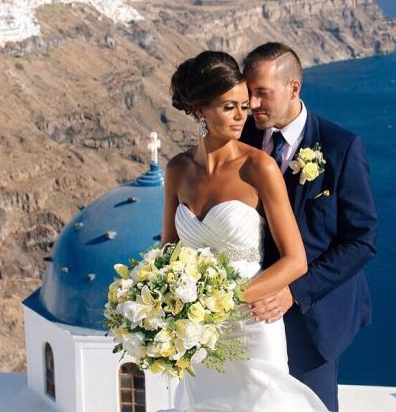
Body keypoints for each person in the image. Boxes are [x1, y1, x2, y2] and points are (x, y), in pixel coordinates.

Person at [161, 51, 328, 412]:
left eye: (244, 106)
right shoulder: (177, 170)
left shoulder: (259, 167)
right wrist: (165, 304)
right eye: (229, 107)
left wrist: (225, 302)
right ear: (200, 110)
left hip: (252, 324)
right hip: (198, 333)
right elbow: (168, 253)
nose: (242, 115)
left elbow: (296, 261)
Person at [240, 42, 378, 412]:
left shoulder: (341, 147)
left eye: (262, 94)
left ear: (293, 88)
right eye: (248, 93)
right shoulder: (242, 141)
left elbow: (361, 240)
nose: (252, 105)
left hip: (312, 319)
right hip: (248, 316)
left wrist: (294, 292)